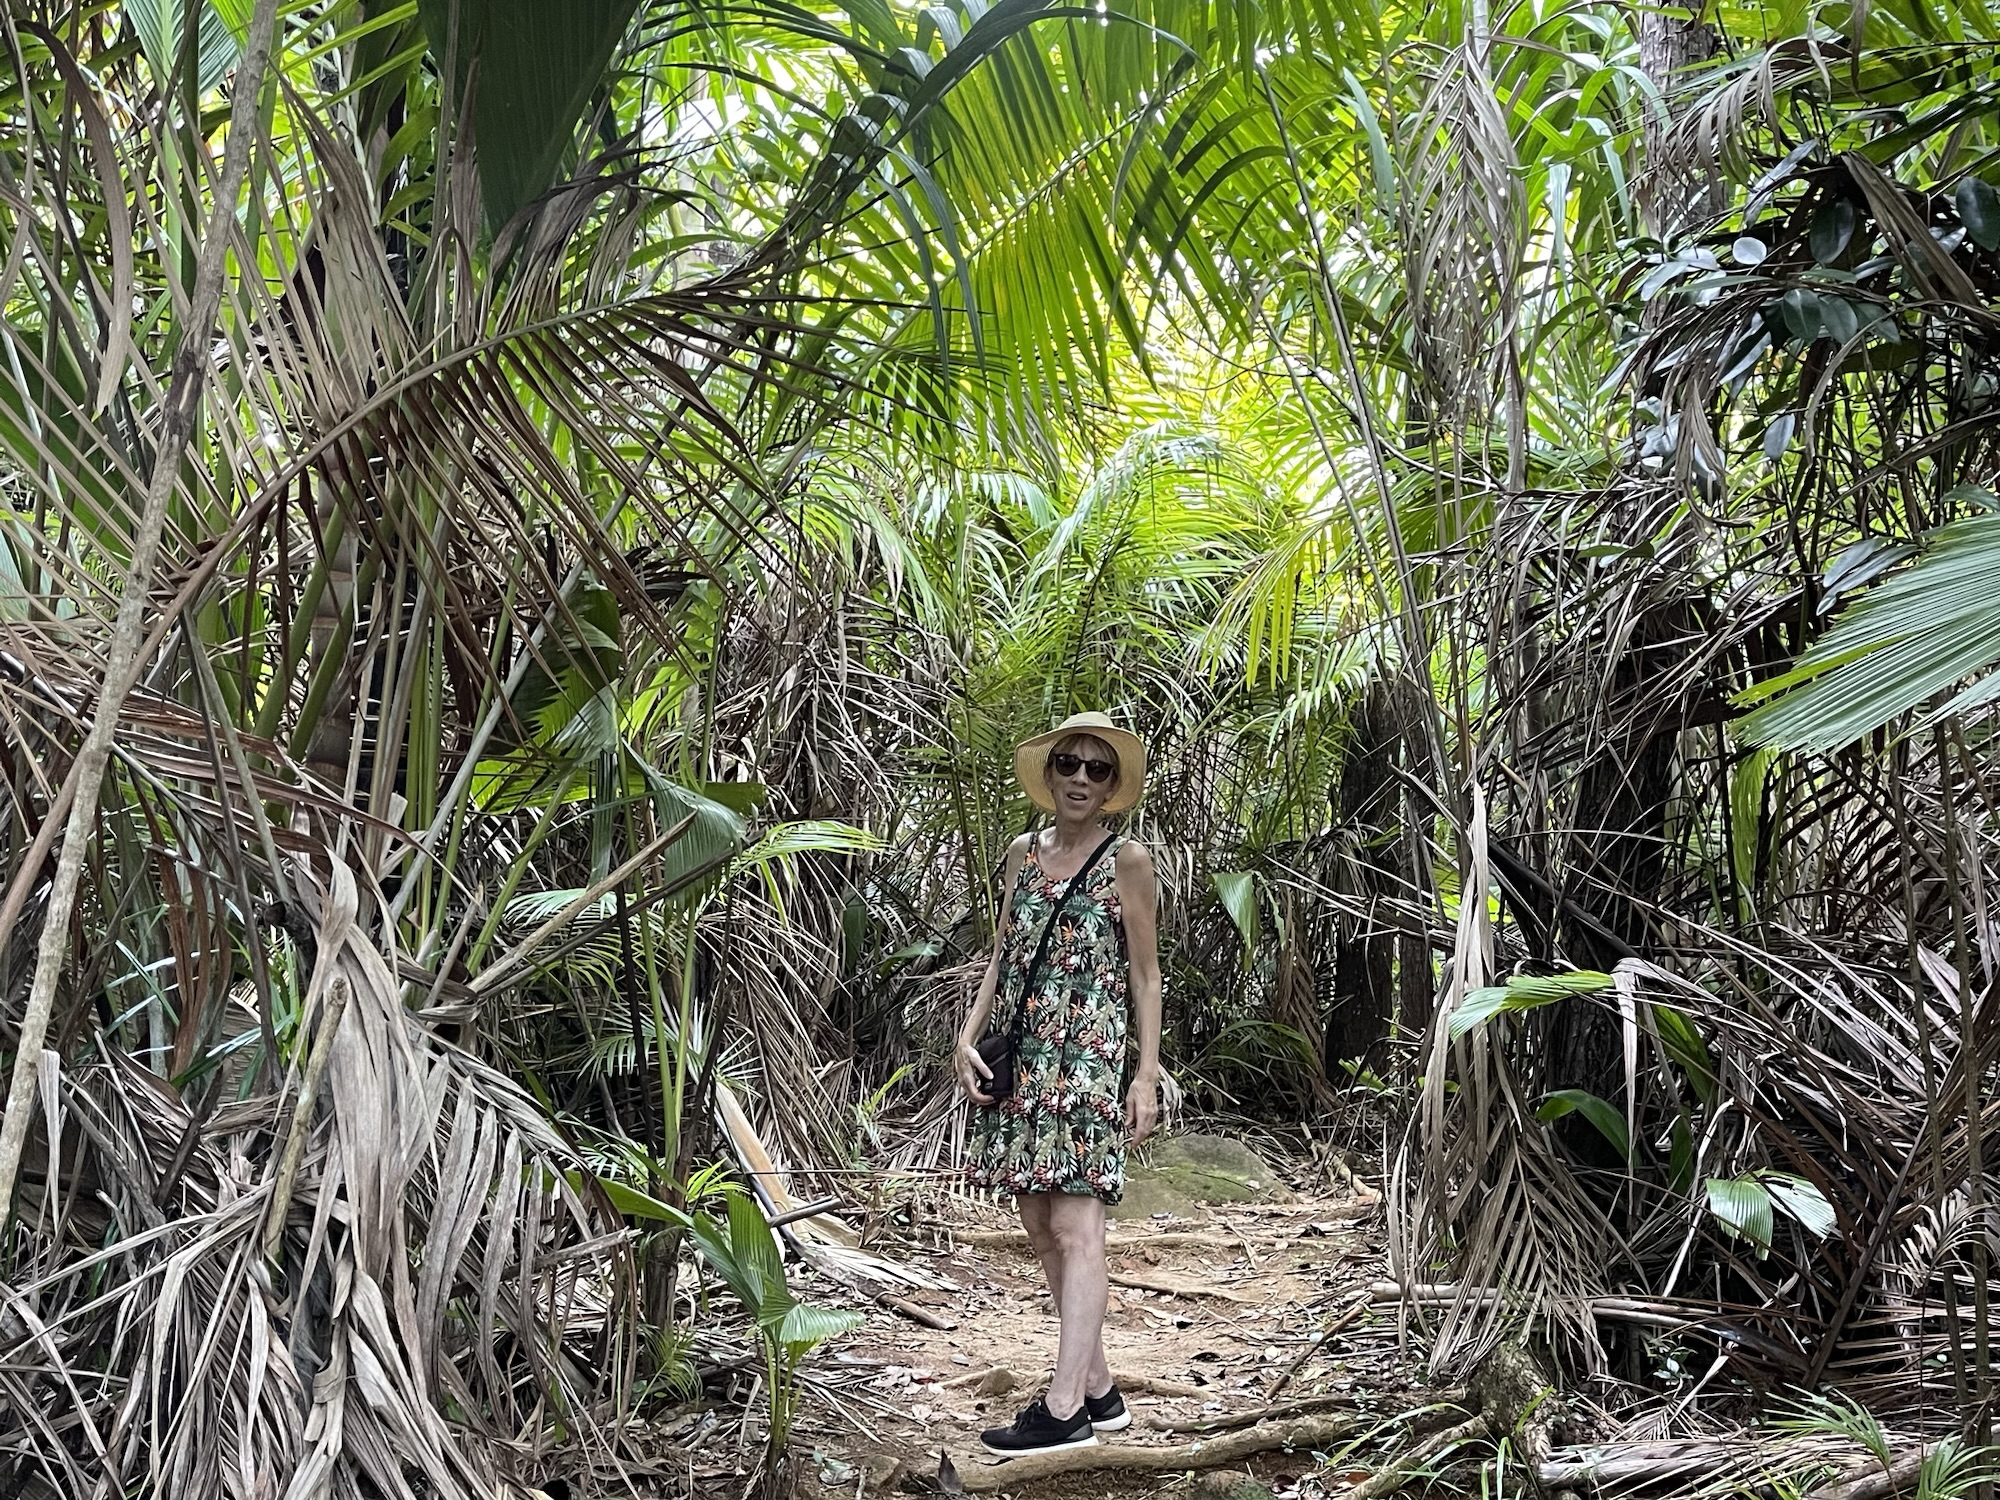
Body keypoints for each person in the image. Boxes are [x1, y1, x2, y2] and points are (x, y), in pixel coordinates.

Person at [954, 711, 1163, 1458]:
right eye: (1069, 765)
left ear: (1113, 788)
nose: (1081, 778)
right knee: (1040, 1227)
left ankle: (1065, 1406)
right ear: (1050, 776)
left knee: (1078, 1230)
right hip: (1021, 1058)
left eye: (1097, 769)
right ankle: (1100, 1389)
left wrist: (1143, 1075)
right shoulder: (1021, 854)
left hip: (1086, 1060)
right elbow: (1002, 953)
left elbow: (1145, 975)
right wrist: (966, 1035)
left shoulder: (1126, 860)